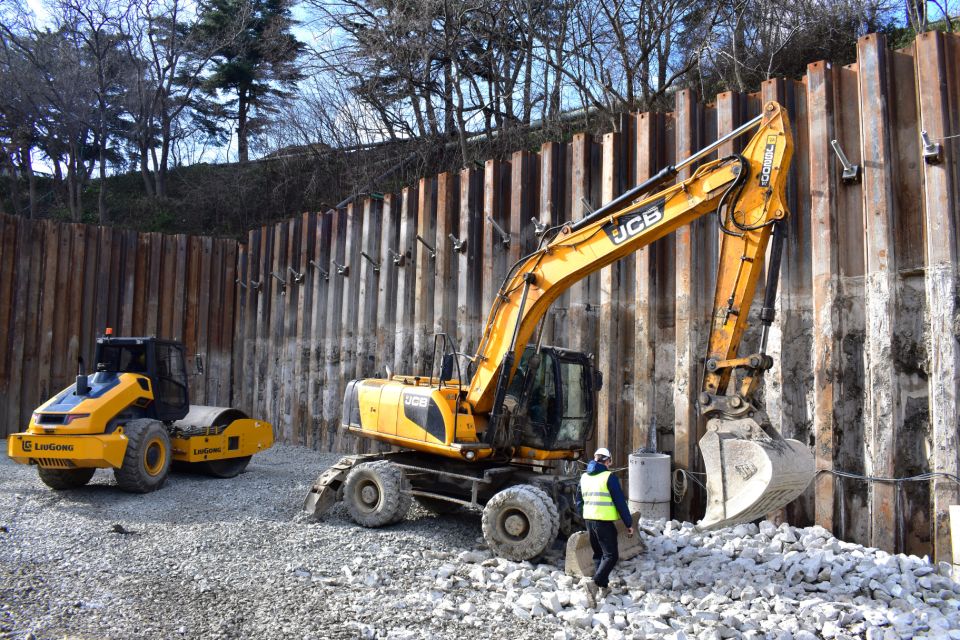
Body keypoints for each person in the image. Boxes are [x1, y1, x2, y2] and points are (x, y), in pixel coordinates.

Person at [577, 447, 634, 606]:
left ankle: (603, 587)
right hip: (604, 522)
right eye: (610, 462)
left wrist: (585, 515)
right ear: (607, 461)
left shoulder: (584, 477)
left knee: (598, 554)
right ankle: (594, 584)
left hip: (589, 521)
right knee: (611, 555)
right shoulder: (609, 477)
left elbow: (579, 501)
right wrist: (628, 523)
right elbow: (620, 502)